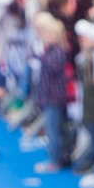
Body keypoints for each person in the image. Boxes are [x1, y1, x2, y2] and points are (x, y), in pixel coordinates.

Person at [31, 13, 72, 175]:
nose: (47, 37)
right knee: (52, 129)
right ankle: (54, 156)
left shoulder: (59, 52)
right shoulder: (49, 51)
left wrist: (40, 56)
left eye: (51, 34)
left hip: (55, 98)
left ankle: (55, 160)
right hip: (48, 97)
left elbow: (54, 67)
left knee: (53, 130)